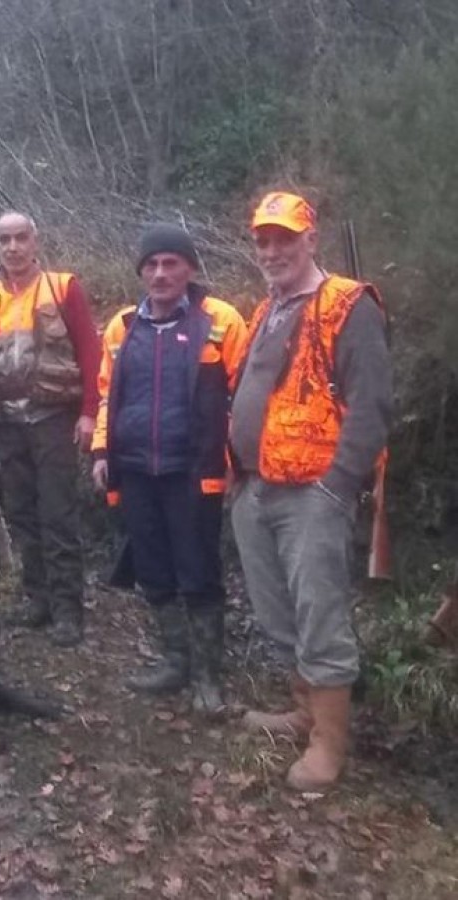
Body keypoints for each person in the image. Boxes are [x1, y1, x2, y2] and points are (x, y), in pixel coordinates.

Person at [230, 192, 391, 792]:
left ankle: (329, 744)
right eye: (263, 240)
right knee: (278, 614)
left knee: (320, 616)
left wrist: (335, 489)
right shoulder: (266, 309)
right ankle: (302, 709)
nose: (272, 250)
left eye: (284, 238)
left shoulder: (348, 305)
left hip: (312, 495)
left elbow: (372, 406)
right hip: (255, 489)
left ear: (310, 238)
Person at [91, 225, 247, 712]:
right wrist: (101, 451)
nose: (160, 274)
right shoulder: (121, 327)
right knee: (154, 568)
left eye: (171, 263)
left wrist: (240, 460)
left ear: (190, 269)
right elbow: (105, 394)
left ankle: (207, 678)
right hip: (135, 468)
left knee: (199, 570)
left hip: (193, 469)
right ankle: (174, 661)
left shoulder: (219, 320)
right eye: (151, 265)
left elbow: (246, 394)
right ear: (140, 271)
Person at [0, 212, 102, 647]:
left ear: (35, 241)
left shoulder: (63, 288)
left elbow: (91, 353)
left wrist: (90, 414)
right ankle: (37, 599)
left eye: (21, 238)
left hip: (54, 419)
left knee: (58, 514)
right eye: (4, 239)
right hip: (6, 422)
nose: (13, 247)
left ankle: (67, 610)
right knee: (21, 514)